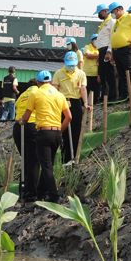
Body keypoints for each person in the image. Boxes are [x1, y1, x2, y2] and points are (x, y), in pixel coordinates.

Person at [21, 70, 72, 202]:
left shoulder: (35, 93)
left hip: (43, 132)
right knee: (48, 163)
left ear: (38, 82)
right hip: (56, 133)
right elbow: (69, 117)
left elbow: (26, 116)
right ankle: (41, 193)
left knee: (46, 166)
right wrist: (60, 130)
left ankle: (54, 196)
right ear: (49, 81)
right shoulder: (59, 95)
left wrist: (21, 121)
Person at [53, 51, 90, 164]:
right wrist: (59, 101)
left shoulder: (81, 74)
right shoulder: (58, 73)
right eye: (69, 64)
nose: (71, 67)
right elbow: (55, 89)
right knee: (63, 131)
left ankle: (74, 158)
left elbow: (83, 89)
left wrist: (85, 103)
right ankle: (65, 158)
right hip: (62, 102)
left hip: (75, 102)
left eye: (73, 64)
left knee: (76, 130)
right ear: (64, 62)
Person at [13, 79, 39, 202]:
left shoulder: (22, 95)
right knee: (34, 160)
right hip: (32, 125)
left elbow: (17, 108)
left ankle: (22, 190)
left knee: (26, 159)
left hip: (18, 127)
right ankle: (31, 193)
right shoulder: (38, 93)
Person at [109, 2, 131, 99]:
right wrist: (112, 52)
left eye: (112, 12)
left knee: (129, 71)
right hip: (116, 50)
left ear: (118, 9)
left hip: (127, 48)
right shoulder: (116, 22)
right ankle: (124, 94)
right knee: (121, 73)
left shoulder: (129, 17)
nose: (112, 14)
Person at [93, 3, 115, 100]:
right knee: (103, 74)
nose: (99, 15)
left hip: (106, 49)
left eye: (100, 13)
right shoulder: (103, 23)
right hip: (101, 51)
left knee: (110, 74)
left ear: (105, 11)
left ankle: (112, 96)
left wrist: (109, 51)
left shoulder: (111, 21)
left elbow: (112, 37)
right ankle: (105, 96)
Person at [82, 34, 100, 102]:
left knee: (96, 90)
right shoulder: (87, 47)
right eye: (95, 39)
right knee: (87, 89)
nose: (96, 41)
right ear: (92, 40)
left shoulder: (99, 48)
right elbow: (88, 55)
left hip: (96, 73)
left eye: (98, 39)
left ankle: (95, 102)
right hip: (87, 73)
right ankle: (85, 103)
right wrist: (99, 55)